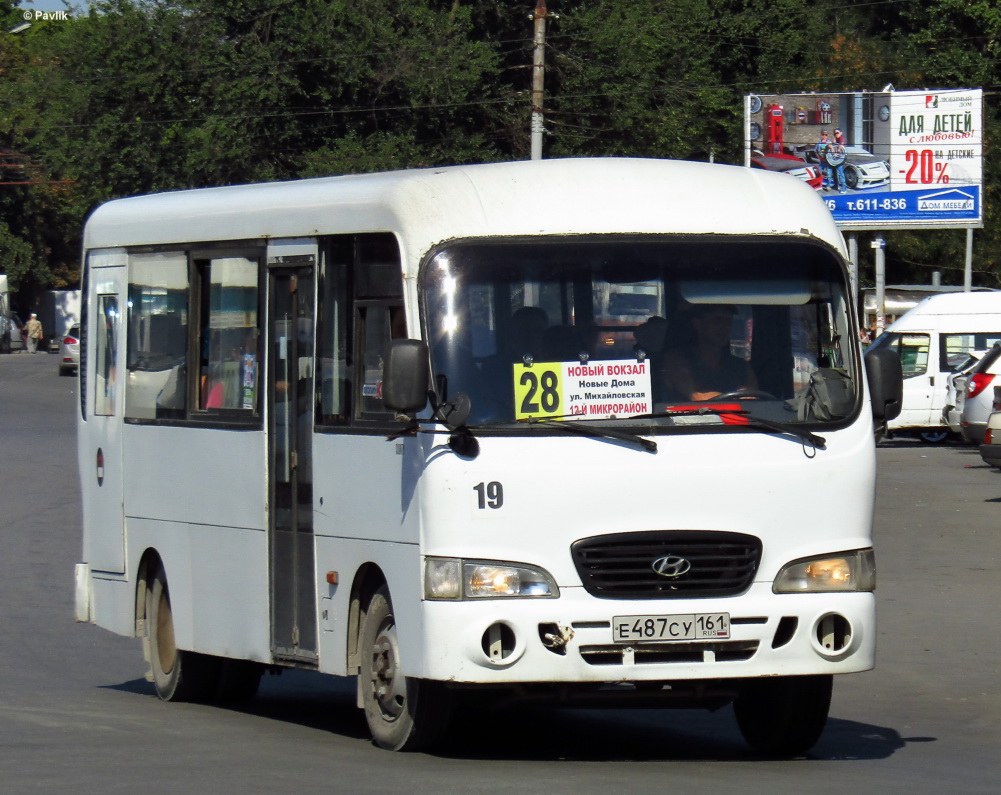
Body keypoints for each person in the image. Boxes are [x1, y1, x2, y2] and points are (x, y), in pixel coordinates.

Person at [658, 304, 757, 402]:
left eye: (728, 322)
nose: (724, 327)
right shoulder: (676, 361)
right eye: (717, 321)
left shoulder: (741, 367)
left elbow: (752, 403)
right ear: (697, 324)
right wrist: (739, 400)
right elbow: (699, 396)